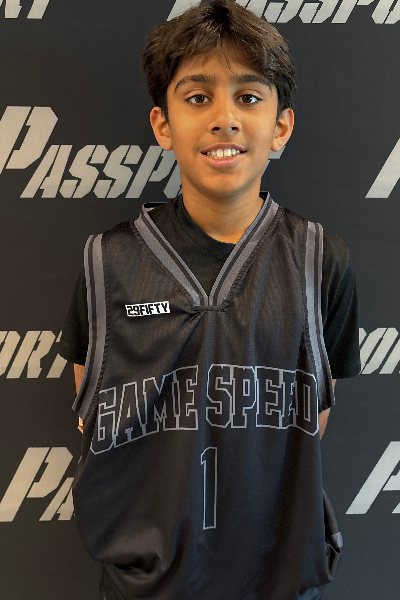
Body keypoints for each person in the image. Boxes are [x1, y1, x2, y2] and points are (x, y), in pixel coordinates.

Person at [59, 1, 360, 598]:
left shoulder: (320, 260)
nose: (225, 119)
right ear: (163, 124)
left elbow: (314, 417)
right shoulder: (108, 263)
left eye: (248, 97)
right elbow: (92, 411)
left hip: (276, 579)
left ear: (281, 125)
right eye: (198, 98)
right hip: (148, 587)